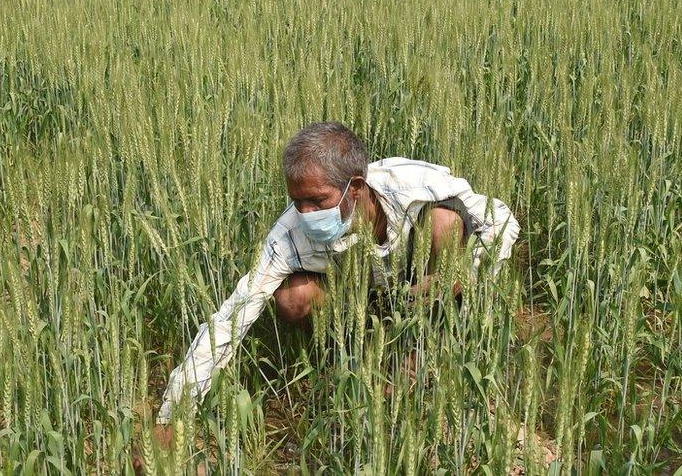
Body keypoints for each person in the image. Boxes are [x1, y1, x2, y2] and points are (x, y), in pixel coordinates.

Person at [154, 121, 520, 434]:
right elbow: (228, 322)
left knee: (446, 222)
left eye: (317, 200)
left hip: (422, 281)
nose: (306, 213)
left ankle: (423, 349)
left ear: (356, 187)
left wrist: (461, 276)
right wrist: (172, 415)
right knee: (291, 298)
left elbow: (502, 221)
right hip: (353, 295)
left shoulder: (413, 185)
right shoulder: (289, 236)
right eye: (297, 202)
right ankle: (344, 356)